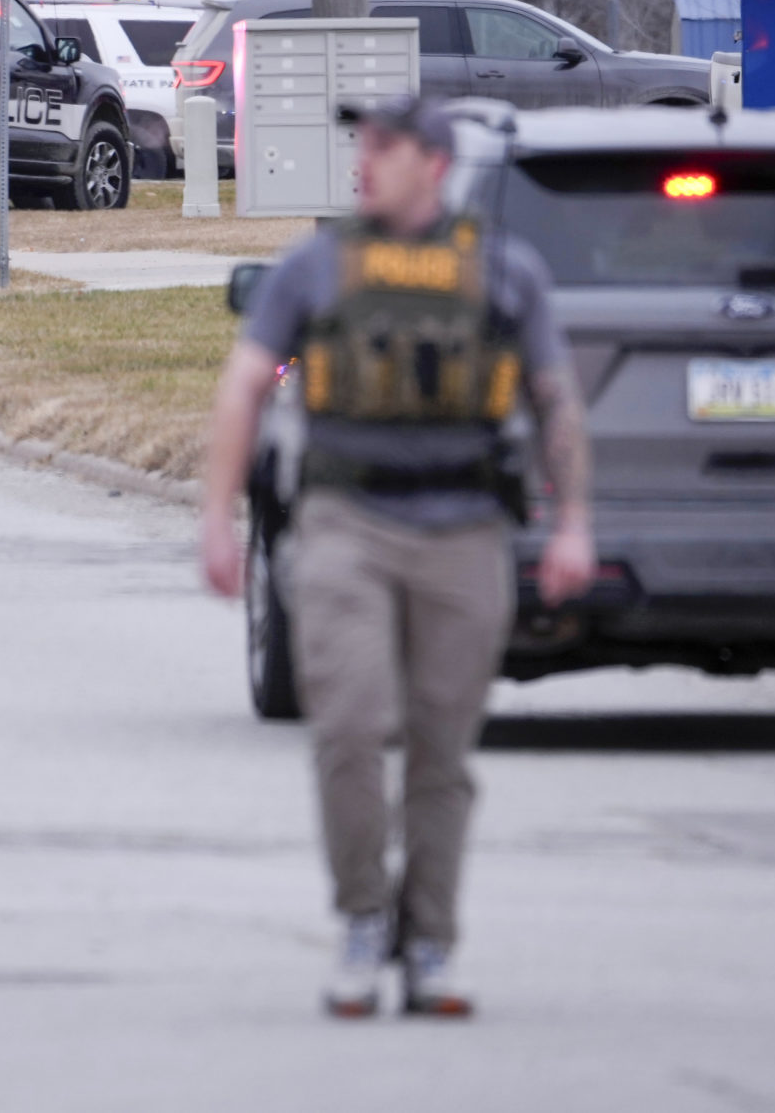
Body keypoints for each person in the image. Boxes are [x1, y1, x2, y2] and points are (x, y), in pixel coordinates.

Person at [197, 92, 596, 1021]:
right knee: (347, 727)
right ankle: (363, 919)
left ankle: (430, 943)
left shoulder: (504, 270)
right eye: (361, 145)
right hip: (346, 522)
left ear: (435, 163)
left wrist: (572, 521)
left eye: (383, 146)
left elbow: (555, 400)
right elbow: (246, 383)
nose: (363, 161)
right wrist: (217, 516)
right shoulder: (317, 264)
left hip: (464, 532)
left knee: (440, 749)